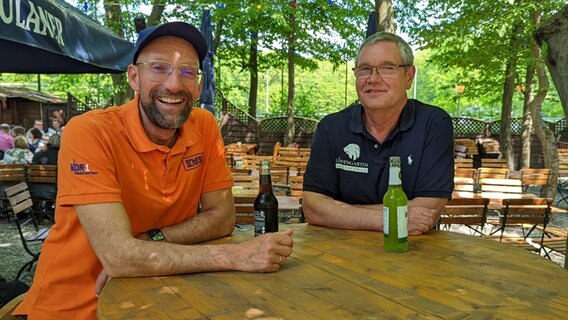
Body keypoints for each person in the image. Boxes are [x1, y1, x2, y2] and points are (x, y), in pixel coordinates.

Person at [15, 21, 294, 319]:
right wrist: (237, 255)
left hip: (160, 301)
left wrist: (148, 243)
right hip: (76, 308)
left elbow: (222, 218)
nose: (174, 85)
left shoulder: (204, 126)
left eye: (187, 71)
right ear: (134, 77)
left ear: (198, 86)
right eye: (159, 68)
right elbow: (120, 258)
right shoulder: (89, 131)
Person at [302, 32, 454, 235]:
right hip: (338, 254)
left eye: (387, 68)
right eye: (365, 69)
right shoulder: (331, 127)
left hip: (412, 254)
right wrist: (389, 218)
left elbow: (426, 212)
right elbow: (313, 208)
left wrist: (340, 211)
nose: (373, 79)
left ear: (409, 76)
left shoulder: (433, 124)